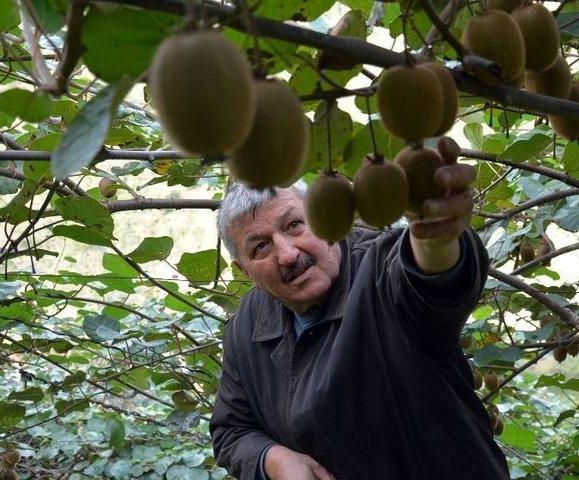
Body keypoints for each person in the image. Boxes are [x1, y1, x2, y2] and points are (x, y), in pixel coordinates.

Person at [210, 138, 509, 480]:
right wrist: (273, 460)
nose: (288, 254)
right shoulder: (246, 328)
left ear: (322, 219)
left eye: (294, 225)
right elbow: (231, 430)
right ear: (243, 270)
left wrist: (435, 236)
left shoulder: (380, 268)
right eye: (261, 246)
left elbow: (431, 280)